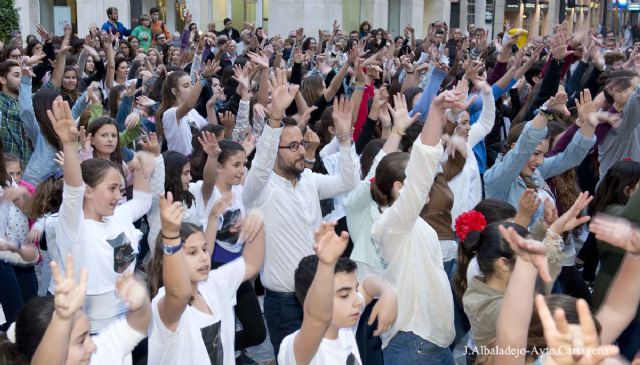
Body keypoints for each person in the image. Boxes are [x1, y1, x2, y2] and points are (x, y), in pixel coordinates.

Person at [243, 70, 356, 358]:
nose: (300, 151)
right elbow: (261, 162)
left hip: (319, 291)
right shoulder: (260, 188)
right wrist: (275, 119)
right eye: (292, 146)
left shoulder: (309, 181)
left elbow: (348, 182)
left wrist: (344, 139)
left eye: (302, 144)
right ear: (277, 151)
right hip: (284, 303)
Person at [50, 98, 154, 332]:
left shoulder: (118, 215)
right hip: (95, 333)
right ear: (89, 190)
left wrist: (143, 161)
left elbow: (143, 201)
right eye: (111, 189)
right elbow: (73, 191)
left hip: (130, 323)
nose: (119, 196)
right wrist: (68, 143)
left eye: (119, 188)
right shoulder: (75, 224)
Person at [146, 191, 265, 364]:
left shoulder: (213, 283)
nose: (203, 257)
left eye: (204, 249)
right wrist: (170, 236)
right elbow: (179, 294)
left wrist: (257, 224)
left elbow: (251, 264)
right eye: (192, 252)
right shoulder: (162, 303)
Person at [278, 221, 397, 364]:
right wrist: (326, 264)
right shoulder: (300, 349)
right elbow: (318, 318)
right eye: (344, 295)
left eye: (354, 289)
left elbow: (367, 287)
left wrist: (388, 294)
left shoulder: (343, 329)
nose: (358, 301)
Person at [0, 254, 151, 365]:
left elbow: (137, 325)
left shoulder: (98, 356)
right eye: (80, 341)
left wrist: (141, 302)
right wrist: (62, 319)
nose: (92, 346)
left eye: (88, 336)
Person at [0, 61, 33, 167]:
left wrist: (61, 57)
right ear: (3, 79)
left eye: (23, 76)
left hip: (27, 171)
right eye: (17, 75)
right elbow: (21, 111)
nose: (22, 79)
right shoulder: (2, 104)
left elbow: (53, 85)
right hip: (5, 171)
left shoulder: (29, 102)